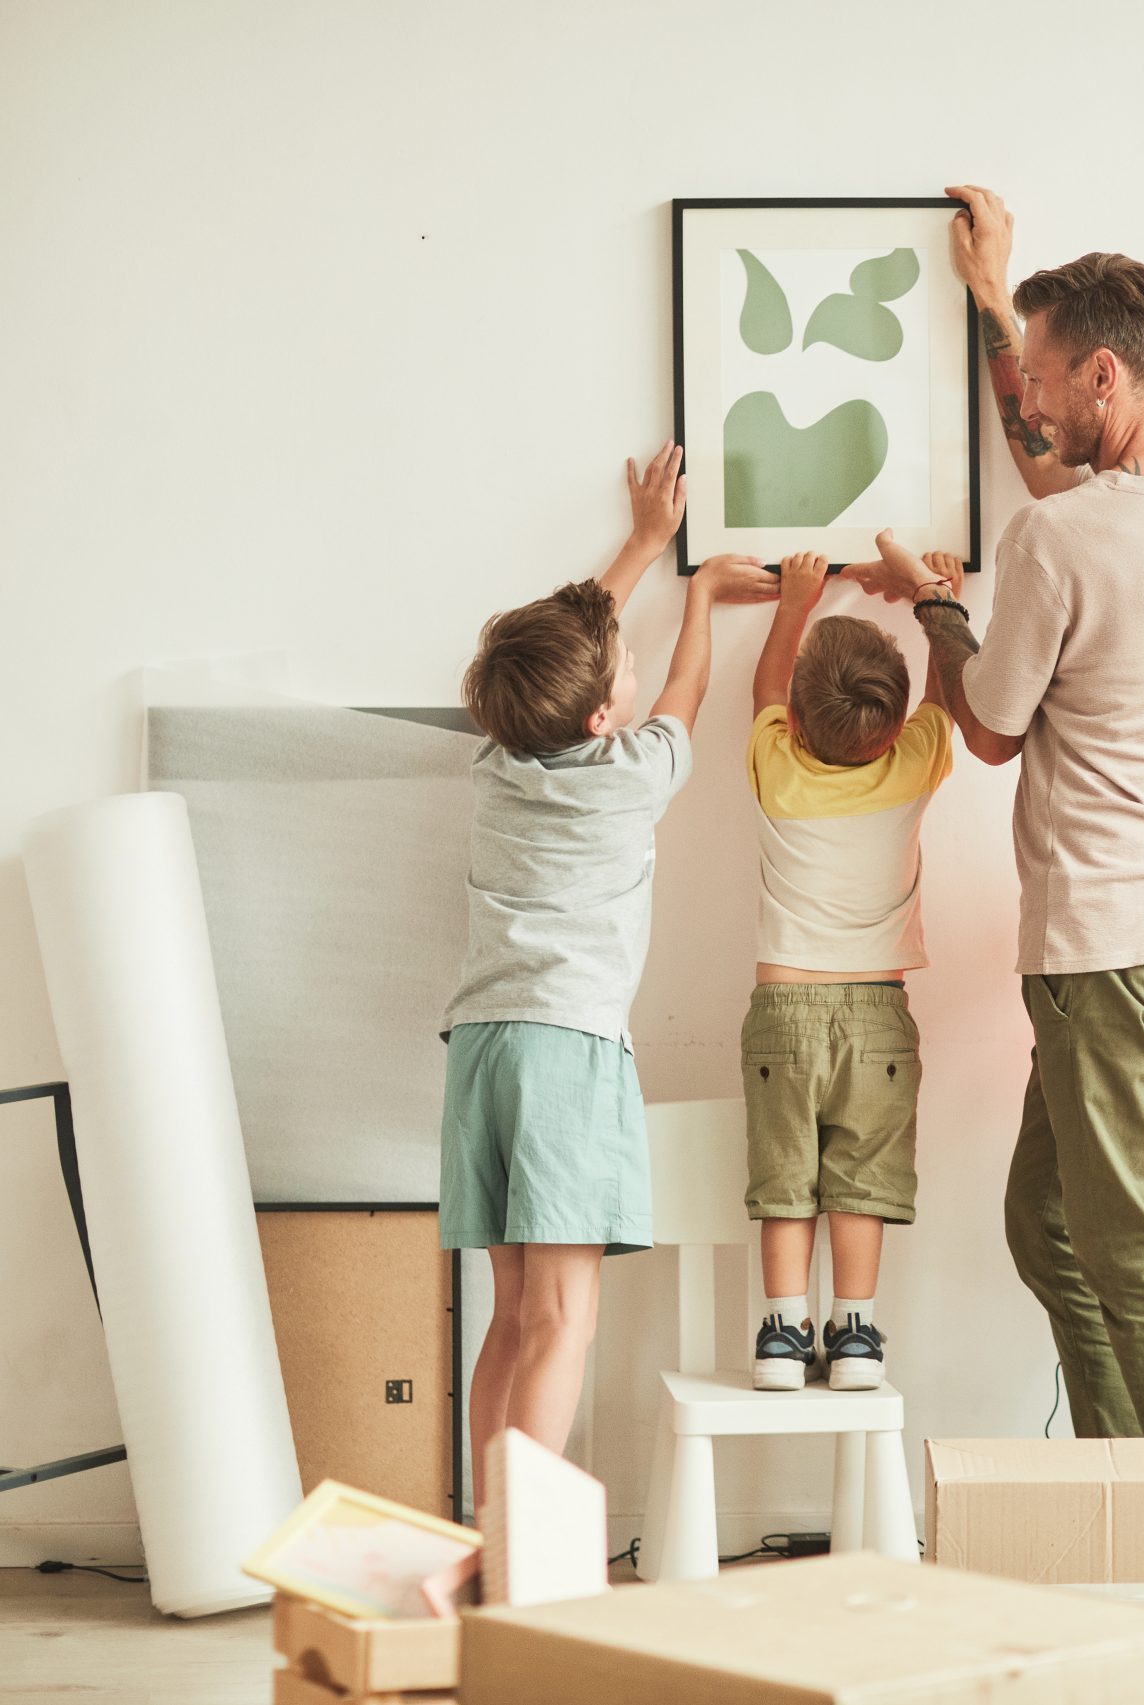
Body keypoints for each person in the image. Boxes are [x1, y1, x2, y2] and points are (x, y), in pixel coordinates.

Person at [842, 186, 1144, 1438]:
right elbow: (1060, 493)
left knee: (1132, 1242)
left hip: (1102, 937)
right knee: (1049, 1221)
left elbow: (984, 727)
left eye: (1038, 376)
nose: (1023, 400)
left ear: (1102, 373)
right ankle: (1120, 1480)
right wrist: (993, 298)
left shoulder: (1057, 547)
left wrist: (932, 605)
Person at [439, 442, 778, 1504]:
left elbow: (577, 648)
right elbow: (681, 688)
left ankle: (491, 1528)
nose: (629, 667)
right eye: (613, 669)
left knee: (510, 1316)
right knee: (564, 1320)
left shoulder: (495, 765)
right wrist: (703, 603)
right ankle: (525, 1548)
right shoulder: (632, 776)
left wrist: (642, 545)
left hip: (480, 1052)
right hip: (566, 1051)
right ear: (599, 718)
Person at [741, 549, 957, 1391]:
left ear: (795, 721)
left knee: (784, 1178)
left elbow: (764, 685)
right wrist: (941, 606)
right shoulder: (912, 763)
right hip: (877, 1013)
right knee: (860, 1179)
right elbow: (944, 699)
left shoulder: (776, 766)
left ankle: (783, 1333)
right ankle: (856, 1334)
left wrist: (794, 602)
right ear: (893, 728)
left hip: (782, 1006)